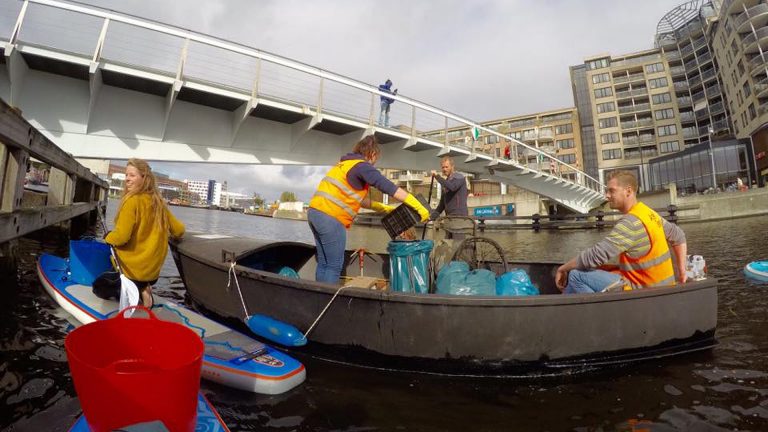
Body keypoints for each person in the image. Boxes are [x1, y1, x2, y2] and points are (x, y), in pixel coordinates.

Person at [308, 135, 430, 284]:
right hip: (331, 218)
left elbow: (358, 199)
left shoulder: (343, 165)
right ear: (372, 154)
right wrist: (417, 205)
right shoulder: (362, 166)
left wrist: (382, 207)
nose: (374, 163)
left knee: (324, 262)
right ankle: (327, 297)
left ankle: (318, 294)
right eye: (375, 159)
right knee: (333, 266)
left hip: (314, 213)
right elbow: (388, 187)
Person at [555, 170, 687, 294]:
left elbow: (595, 256)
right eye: (607, 191)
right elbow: (678, 236)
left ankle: (595, 309)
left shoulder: (629, 223)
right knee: (600, 270)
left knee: (575, 275)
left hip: (641, 291)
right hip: (663, 287)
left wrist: (562, 268)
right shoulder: (648, 214)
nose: (607, 195)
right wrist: (682, 272)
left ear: (628, 191)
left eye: (611, 191)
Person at [105, 158, 185, 308]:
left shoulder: (132, 201)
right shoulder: (159, 202)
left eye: (132, 175)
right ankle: (143, 288)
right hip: (152, 273)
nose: (127, 179)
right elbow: (179, 230)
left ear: (144, 178)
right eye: (126, 175)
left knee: (99, 287)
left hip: (132, 270)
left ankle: (139, 289)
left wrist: (107, 237)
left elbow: (121, 237)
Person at [430, 156, 469, 239]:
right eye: (443, 167)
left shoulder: (459, 177)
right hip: (449, 217)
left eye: (446, 167)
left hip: (459, 216)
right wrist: (431, 217)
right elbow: (441, 205)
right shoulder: (446, 182)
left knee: (458, 242)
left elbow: (452, 187)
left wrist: (437, 177)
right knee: (448, 243)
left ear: (452, 166)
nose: (444, 169)